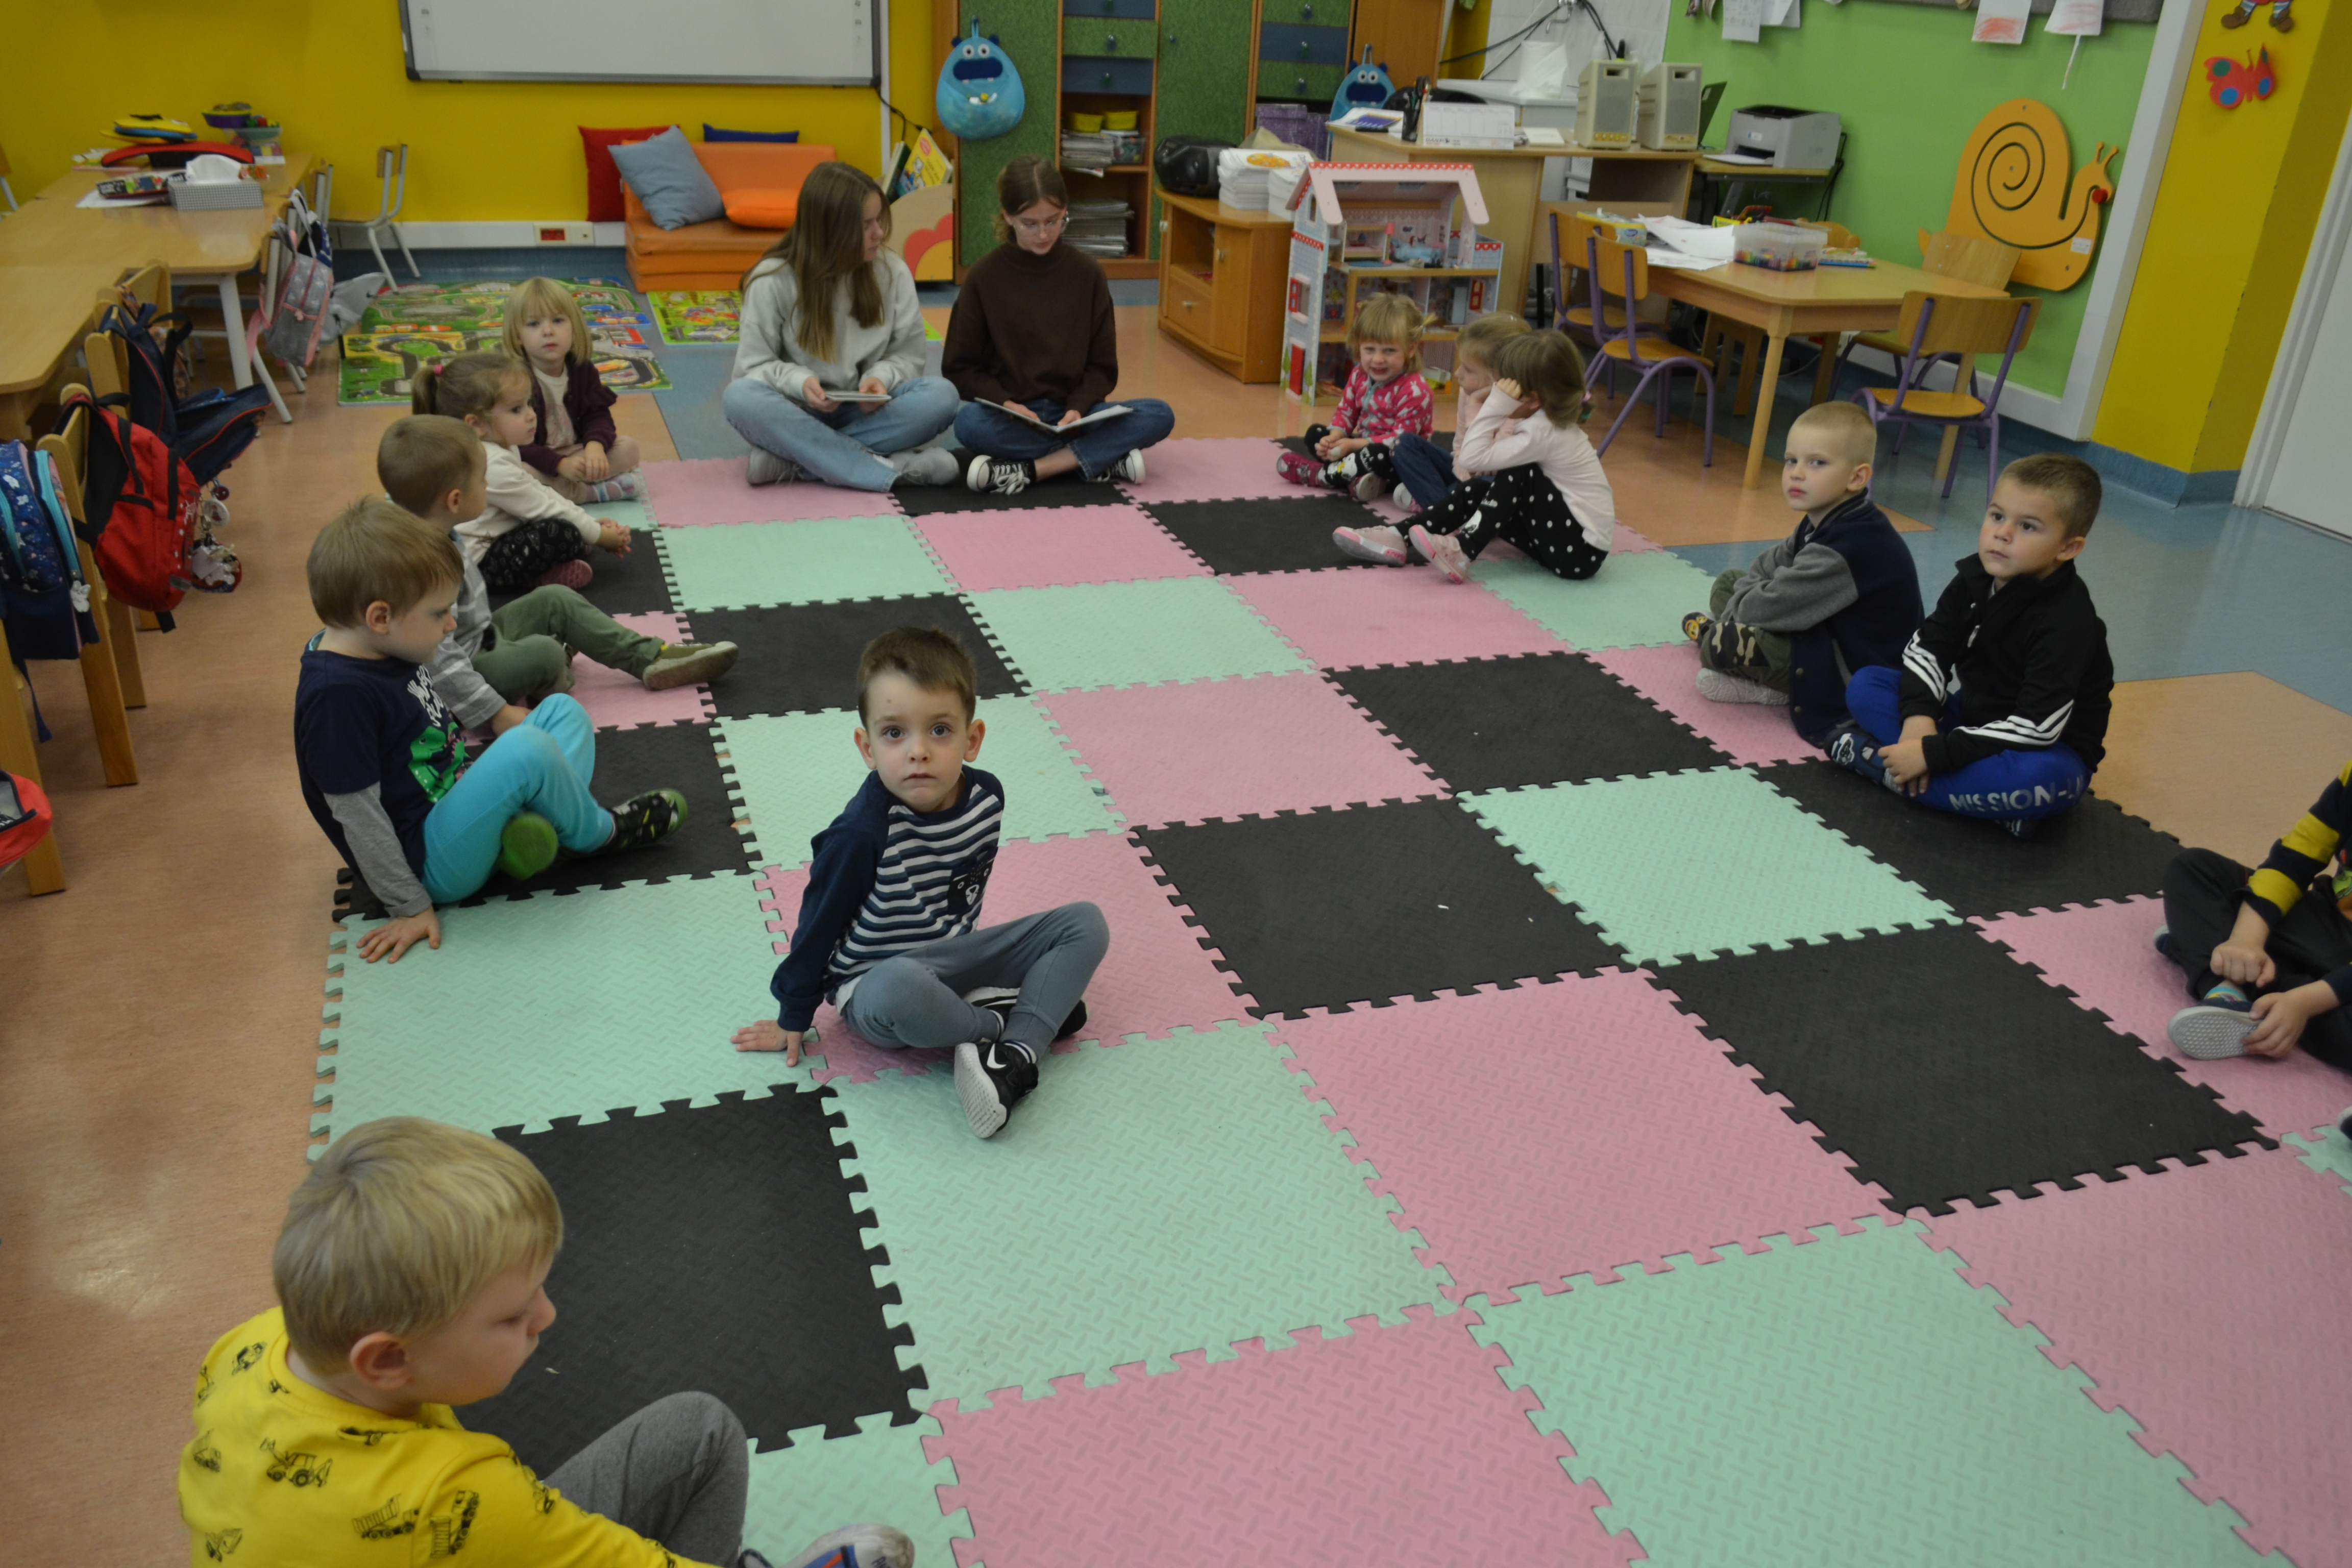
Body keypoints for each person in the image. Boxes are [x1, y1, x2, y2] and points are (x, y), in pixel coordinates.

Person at [179, 1115, 913, 1568]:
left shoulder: (251, 1344)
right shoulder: (461, 1500)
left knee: (698, 1431)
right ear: (389, 1358)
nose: (548, 1316)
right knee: (707, 1434)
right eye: (510, 1317)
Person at [732, 627, 1108, 1141]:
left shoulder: (987, 799)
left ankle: (1015, 1056)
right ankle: (1000, 1027)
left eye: (939, 730)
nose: (918, 752)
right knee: (898, 985)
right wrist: (794, 1014)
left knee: (1085, 923)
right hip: (876, 986)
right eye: (894, 733)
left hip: (954, 961)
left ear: (972, 739)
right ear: (866, 747)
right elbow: (816, 927)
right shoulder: (860, 834)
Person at [296, 499, 687, 963]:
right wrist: (409, 905)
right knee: (527, 748)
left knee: (562, 712)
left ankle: (523, 837)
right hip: (431, 860)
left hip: (455, 803)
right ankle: (597, 833)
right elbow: (357, 816)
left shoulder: (378, 642)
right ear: (380, 617)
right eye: (439, 614)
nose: (451, 624)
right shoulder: (336, 697)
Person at [379, 415, 739, 731]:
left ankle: (649, 658)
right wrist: (496, 712)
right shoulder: (424, 567)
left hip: (481, 638)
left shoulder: (439, 528)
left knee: (557, 599)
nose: (488, 487)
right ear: (455, 500)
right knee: (546, 653)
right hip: (458, 674)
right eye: (482, 481)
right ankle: (552, 670)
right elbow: (439, 661)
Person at [1823, 453, 2112, 839]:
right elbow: (1928, 650)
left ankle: (1883, 768)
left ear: (2068, 548)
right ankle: (1977, 801)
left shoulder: (2068, 620)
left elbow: (2038, 728)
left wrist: (1933, 753)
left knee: (2041, 781)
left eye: (2027, 526)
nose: (2002, 534)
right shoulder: (1976, 578)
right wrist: (1919, 722)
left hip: (2046, 751)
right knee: (1867, 685)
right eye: (1997, 516)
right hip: (1971, 722)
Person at [1677, 401, 1921, 738]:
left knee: (1721, 642)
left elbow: (1772, 601)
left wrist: (1742, 614)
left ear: (1856, 477)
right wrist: (1750, 603)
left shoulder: (1851, 545)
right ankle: (1729, 631)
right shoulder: (1822, 519)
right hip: (1821, 630)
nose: (1797, 473)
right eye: (1792, 460)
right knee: (1728, 582)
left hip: (1843, 668)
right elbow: (1768, 566)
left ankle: (1774, 688)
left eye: (1817, 463)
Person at [722, 161, 960, 492]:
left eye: (879, 220)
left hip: (865, 414)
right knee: (738, 398)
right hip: (797, 412)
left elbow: (908, 359)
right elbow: (750, 371)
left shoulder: (892, 272)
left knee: (943, 395)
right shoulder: (772, 279)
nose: (879, 234)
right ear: (830, 231)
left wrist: (880, 379)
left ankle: (797, 463)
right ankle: (890, 469)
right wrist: (800, 382)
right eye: (866, 225)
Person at [946, 154, 1174, 497]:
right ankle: (1101, 458)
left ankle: (1035, 470)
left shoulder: (1087, 274)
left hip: (1076, 414)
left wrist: (1078, 408)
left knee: (1159, 414)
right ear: (1008, 216)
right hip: (1014, 417)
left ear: (1066, 210)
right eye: (1030, 224)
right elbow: (959, 368)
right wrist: (1006, 403)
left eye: (1054, 221)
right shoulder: (983, 278)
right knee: (968, 424)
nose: (1043, 234)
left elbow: (1102, 367)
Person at [2157, 764, 2352, 1066]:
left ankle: (2217, 956)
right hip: (2326, 920)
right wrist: (2246, 939)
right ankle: (2228, 992)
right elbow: (2294, 859)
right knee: (2195, 868)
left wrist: (2303, 1003)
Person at [1399, 330, 1617, 584]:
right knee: (1477, 490)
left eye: (1504, 389)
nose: (1496, 392)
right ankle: (1399, 535)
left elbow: (1471, 458)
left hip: (1581, 552)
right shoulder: (1541, 422)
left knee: (1519, 470)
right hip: (1567, 544)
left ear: (1533, 400)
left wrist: (1495, 406)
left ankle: (1463, 551)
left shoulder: (1543, 432)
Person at [413, 351, 632, 594]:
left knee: (569, 527)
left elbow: (539, 491)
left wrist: (590, 525)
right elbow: (543, 507)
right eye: (517, 409)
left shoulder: (499, 447)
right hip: (479, 565)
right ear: (476, 424)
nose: (532, 415)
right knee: (563, 533)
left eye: (529, 404)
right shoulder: (490, 463)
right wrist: (600, 536)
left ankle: (568, 548)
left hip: (501, 535)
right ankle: (537, 579)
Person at [1331, 311, 1529, 564]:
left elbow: (1490, 464)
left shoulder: (1519, 409)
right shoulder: (1468, 391)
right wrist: (1459, 481)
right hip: (1469, 472)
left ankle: (1445, 513)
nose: (1457, 374)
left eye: (1468, 369)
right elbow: (1461, 450)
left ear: (1498, 377)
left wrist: (1478, 407)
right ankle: (1451, 512)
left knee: (1476, 486)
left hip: (1494, 488)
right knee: (1405, 444)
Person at [1276, 291, 1434, 493]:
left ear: (1411, 349)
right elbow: (1346, 412)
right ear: (1359, 347)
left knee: (1377, 455)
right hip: (1361, 447)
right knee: (1315, 434)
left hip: (1398, 461)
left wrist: (1352, 445)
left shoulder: (1416, 391)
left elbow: (1400, 440)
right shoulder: (1359, 375)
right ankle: (1354, 476)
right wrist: (1334, 438)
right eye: (1370, 349)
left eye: (1389, 351)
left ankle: (1321, 475)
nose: (1378, 359)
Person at [503, 275, 643, 503]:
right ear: (518, 336)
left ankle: (568, 489)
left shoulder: (582, 369)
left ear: (574, 327)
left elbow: (597, 416)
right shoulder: (514, 378)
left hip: (576, 453)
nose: (548, 331)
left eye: (558, 320)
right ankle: (590, 493)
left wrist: (595, 446)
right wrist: (559, 465)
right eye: (534, 324)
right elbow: (516, 444)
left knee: (629, 448)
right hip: (537, 460)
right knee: (518, 473)